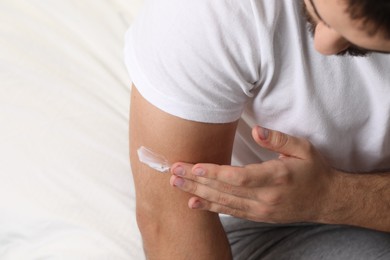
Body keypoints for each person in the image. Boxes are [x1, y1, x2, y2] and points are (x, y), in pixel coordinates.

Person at [125, 0, 390, 259]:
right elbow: (170, 221)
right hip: (263, 225)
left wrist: (332, 195)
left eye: (357, 43)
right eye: (315, 8)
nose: (322, 44)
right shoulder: (209, 12)